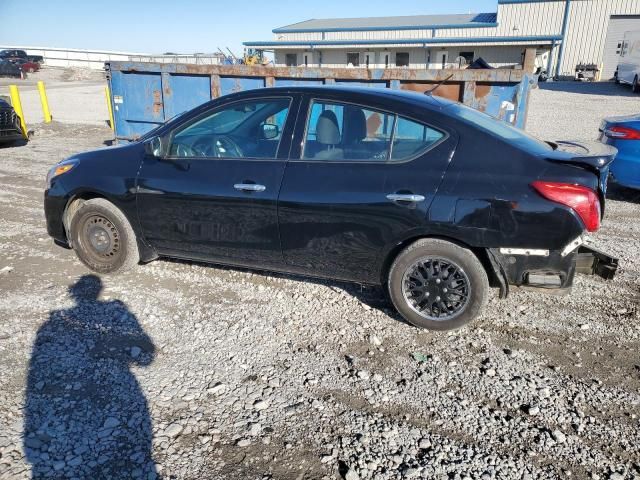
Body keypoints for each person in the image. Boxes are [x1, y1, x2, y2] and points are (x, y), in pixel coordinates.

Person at [23, 275, 157, 479]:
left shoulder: (52, 324)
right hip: (119, 390)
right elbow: (145, 359)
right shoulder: (116, 311)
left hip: (70, 414)